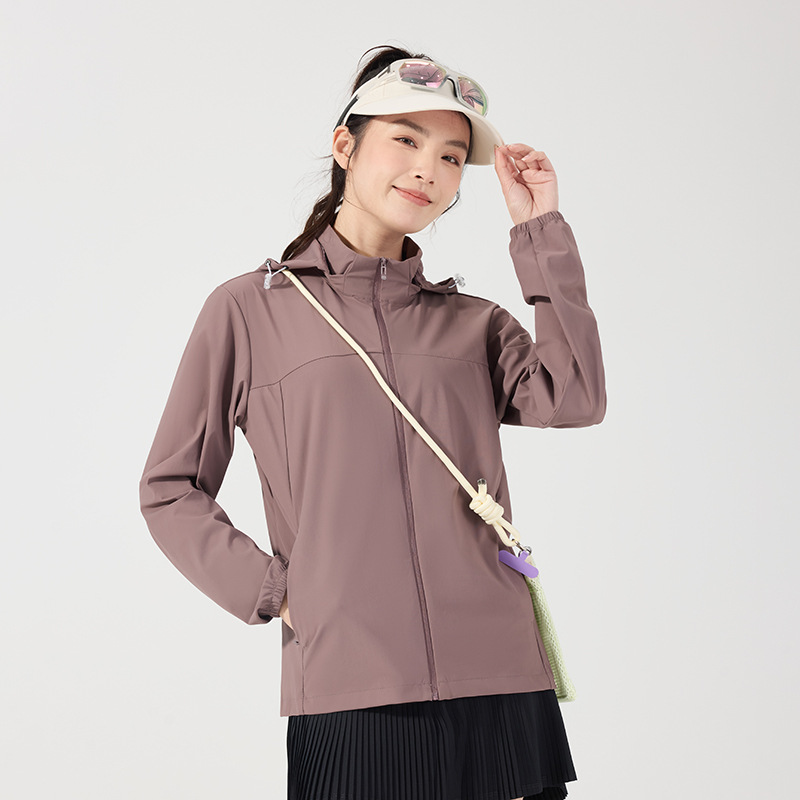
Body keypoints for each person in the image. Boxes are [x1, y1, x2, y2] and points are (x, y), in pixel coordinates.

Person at [139, 43, 607, 800]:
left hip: (502, 678)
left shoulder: (473, 323)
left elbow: (575, 396)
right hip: (351, 684)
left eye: (450, 157)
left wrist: (540, 231)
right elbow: (170, 488)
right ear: (345, 146)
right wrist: (278, 591)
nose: (428, 169)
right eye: (406, 139)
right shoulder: (249, 311)